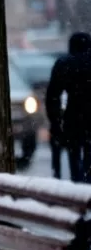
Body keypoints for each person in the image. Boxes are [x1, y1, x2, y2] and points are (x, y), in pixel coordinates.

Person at [47, 32, 91, 182]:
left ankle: (77, 184)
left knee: (74, 156)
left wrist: (55, 121)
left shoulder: (64, 64)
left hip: (73, 117)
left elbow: (53, 96)